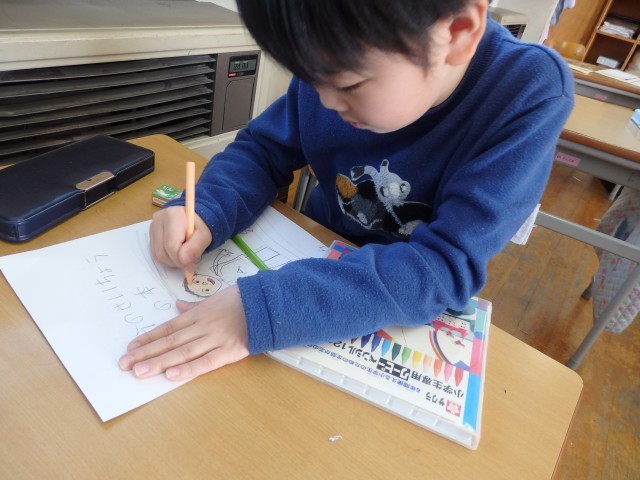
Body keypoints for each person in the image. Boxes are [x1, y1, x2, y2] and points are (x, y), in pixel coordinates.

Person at [118, 0, 574, 381]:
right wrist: (204, 208)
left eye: (350, 84)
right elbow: (262, 150)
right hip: (318, 247)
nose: (325, 102)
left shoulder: (526, 92)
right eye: (309, 77)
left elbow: (444, 266)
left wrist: (266, 310)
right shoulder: (336, 51)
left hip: (394, 304)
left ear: (456, 33)